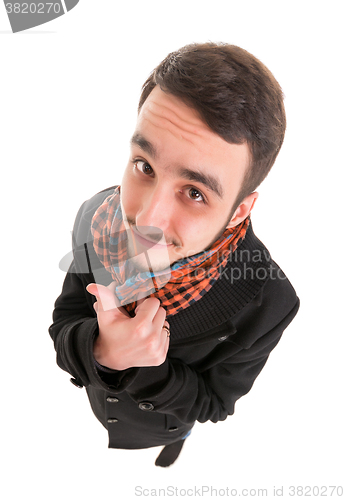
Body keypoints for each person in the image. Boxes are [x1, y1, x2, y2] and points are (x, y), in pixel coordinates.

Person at [49, 42, 300, 467]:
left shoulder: (271, 301)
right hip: (93, 414)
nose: (147, 218)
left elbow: (214, 405)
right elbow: (66, 319)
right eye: (144, 165)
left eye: (195, 192)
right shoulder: (96, 215)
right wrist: (102, 353)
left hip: (160, 430)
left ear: (240, 210)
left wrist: (141, 365)